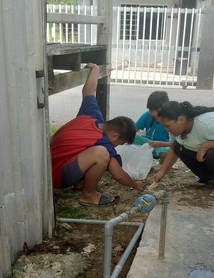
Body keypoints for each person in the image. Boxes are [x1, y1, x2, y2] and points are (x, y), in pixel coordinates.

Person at [50, 63, 145, 206]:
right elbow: (118, 175)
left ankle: (80, 184)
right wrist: (135, 185)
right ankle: (89, 196)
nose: (117, 146)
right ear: (115, 136)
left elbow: (88, 92)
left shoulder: (92, 115)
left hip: (47, 166)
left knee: (87, 149)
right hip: (55, 176)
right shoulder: (103, 142)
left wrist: (95, 69)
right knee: (101, 154)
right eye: (119, 143)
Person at [133, 91, 173, 161]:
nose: (150, 112)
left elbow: (176, 144)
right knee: (131, 136)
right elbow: (133, 129)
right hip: (148, 143)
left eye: (152, 110)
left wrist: (160, 143)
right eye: (150, 110)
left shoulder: (171, 120)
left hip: (162, 146)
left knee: (168, 151)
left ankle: (162, 164)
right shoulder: (147, 115)